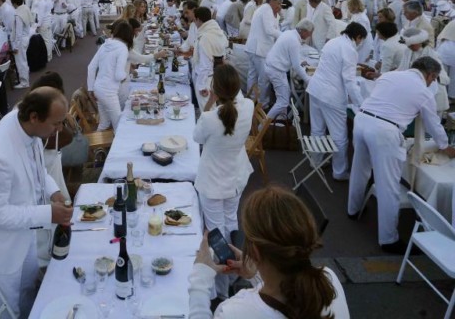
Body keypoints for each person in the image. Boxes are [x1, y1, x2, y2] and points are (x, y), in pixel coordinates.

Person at [0, 87, 72, 319]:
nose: (60, 129)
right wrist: (47, 214)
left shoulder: (24, 125)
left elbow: (36, 166)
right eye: (56, 123)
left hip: (24, 235)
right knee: (6, 309)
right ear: (34, 117)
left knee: (27, 292)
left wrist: (53, 191)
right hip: (1, 248)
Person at [188, 185, 349, 318]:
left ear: (256, 252)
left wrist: (200, 280)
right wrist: (257, 273)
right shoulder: (329, 280)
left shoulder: (235, 312)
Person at [348, 57, 455, 253]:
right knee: (389, 185)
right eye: (434, 79)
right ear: (430, 74)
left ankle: (352, 210)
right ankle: (388, 240)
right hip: (385, 131)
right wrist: (446, 146)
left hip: (362, 120)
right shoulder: (424, 92)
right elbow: (433, 124)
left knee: (359, 169)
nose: (432, 83)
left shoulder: (390, 76)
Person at [193, 64, 253, 298]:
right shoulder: (247, 106)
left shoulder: (210, 118)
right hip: (235, 177)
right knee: (231, 224)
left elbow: (196, 136)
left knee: (216, 233)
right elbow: (235, 100)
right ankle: (234, 273)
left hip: (212, 181)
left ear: (215, 90)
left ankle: (220, 289)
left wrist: (210, 101)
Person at [307, 22, 367, 181]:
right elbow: (349, 80)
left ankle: (316, 161)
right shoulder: (349, 50)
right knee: (339, 137)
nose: (360, 43)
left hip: (315, 89)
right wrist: (361, 105)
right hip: (331, 96)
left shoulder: (332, 42)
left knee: (317, 130)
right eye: (361, 40)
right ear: (358, 36)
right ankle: (339, 172)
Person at [87, 20, 133, 132]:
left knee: (104, 123)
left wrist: (91, 88)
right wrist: (126, 77)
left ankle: (98, 149)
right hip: (109, 92)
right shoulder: (123, 48)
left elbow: (91, 67)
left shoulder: (104, 45)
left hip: (98, 88)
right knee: (119, 126)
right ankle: (118, 149)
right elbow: (118, 75)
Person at [264, 20, 313, 119]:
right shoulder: (294, 40)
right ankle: (263, 127)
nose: (310, 35)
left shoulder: (289, 33)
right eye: (310, 32)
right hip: (276, 70)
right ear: (304, 31)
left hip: (273, 67)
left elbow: (293, 57)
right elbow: (296, 66)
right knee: (283, 102)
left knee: (284, 96)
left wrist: (300, 61)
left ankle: (280, 121)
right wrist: (308, 80)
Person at [244, 0, 281, 101]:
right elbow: (269, 30)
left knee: (252, 76)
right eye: (278, 3)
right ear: (272, 1)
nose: (279, 6)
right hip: (259, 49)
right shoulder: (266, 9)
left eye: (280, 4)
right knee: (263, 78)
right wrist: (284, 36)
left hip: (255, 48)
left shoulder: (266, 9)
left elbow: (273, 27)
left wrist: (277, 14)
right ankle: (261, 103)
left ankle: (252, 100)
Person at [193, 7, 229, 110]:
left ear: (198, 19)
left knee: (208, 112)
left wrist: (201, 86)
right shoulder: (218, 32)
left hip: (206, 79)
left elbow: (205, 64)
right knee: (214, 110)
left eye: (195, 20)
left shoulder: (205, 37)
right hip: (218, 77)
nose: (195, 23)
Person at [10, 0, 33, 89]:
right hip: (26, 37)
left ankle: (24, 82)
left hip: (20, 40)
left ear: (14, 3)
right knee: (24, 60)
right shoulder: (25, 8)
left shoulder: (18, 14)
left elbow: (18, 33)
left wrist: (15, 46)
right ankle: (24, 79)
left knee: (21, 62)